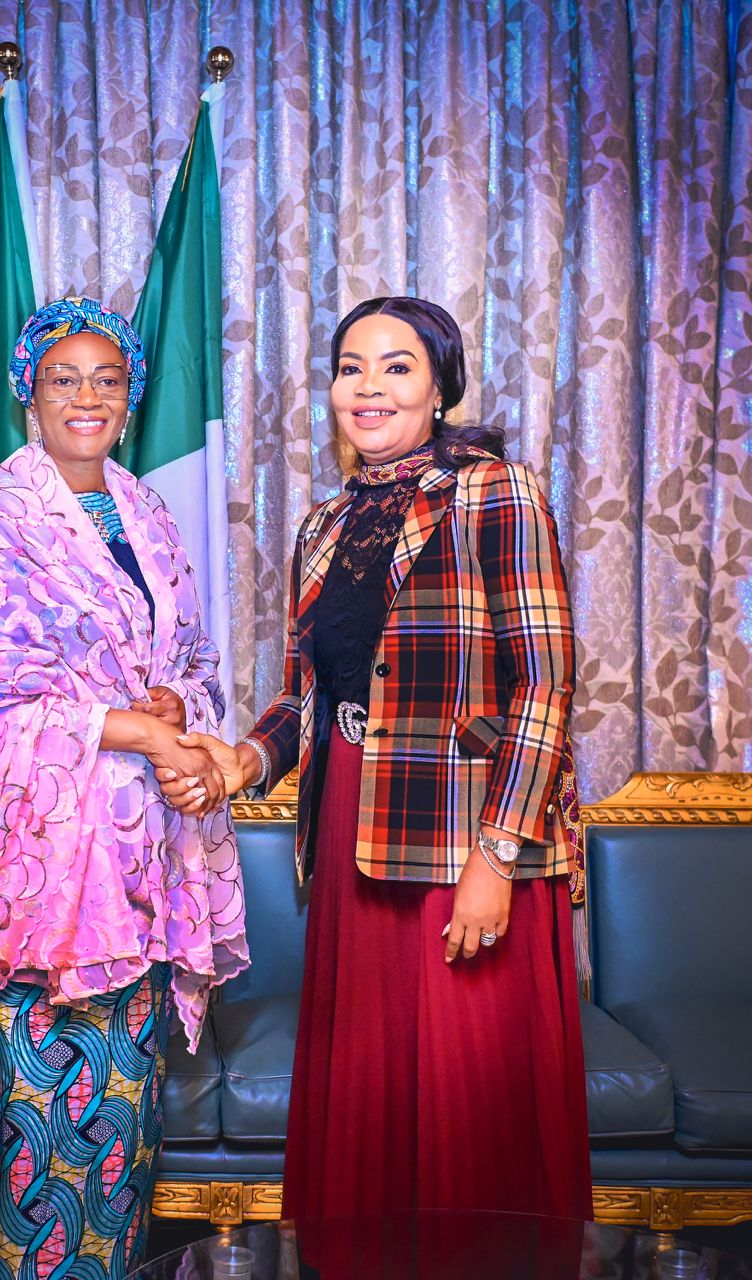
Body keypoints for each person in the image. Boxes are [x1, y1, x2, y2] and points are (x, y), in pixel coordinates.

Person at [161, 296, 592, 1228]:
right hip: (352, 821)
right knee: (375, 1092)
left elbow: (547, 684)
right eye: (352, 366)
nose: (369, 386)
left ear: (440, 389)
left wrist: (499, 854)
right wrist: (241, 761)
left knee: (468, 1101)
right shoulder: (323, 526)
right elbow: (307, 697)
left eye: (397, 367)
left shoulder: (496, 491)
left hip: (469, 831)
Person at [0, 296, 248, 1280]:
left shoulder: (146, 510)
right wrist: (125, 724)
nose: (88, 394)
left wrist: (169, 700)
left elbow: (194, 660)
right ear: (31, 389)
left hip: (140, 853)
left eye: (108, 377)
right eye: (66, 376)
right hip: (40, 869)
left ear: (130, 396)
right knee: (31, 1124)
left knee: (120, 1125)